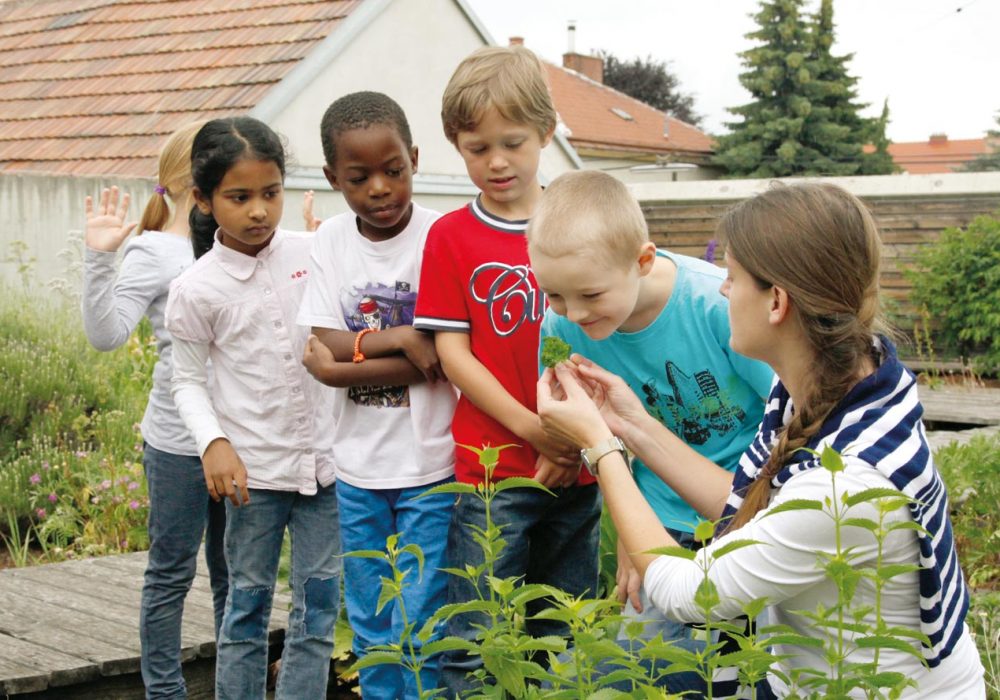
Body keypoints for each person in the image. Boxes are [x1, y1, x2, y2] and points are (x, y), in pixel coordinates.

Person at [537, 182, 986, 698]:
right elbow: (745, 508)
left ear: (776, 301)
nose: (721, 290)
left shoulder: (843, 487)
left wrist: (601, 447)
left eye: (732, 277)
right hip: (806, 672)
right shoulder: (841, 387)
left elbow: (690, 594)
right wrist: (629, 422)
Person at [412, 45, 601, 694]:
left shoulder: (581, 220)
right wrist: (530, 428)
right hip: (492, 472)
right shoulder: (451, 236)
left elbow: (607, 343)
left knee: (562, 636)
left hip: (579, 472)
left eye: (512, 143)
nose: (495, 161)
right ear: (456, 146)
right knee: (473, 637)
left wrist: (574, 445)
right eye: (475, 147)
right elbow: (452, 354)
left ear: (547, 133)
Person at [526, 170, 773, 642]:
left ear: (642, 260)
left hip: (746, 509)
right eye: (554, 294)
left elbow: (791, 411)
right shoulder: (562, 330)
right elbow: (603, 434)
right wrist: (631, 529)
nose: (573, 313)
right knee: (642, 667)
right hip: (659, 517)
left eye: (591, 294)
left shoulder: (716, 305)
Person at [164, 117, 340, 700]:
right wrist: (213, 442)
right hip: (254, 477)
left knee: (318, 612)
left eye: (271, 193)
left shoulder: (313, 253)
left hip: (325, 470)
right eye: (240, 197)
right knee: (245, 609)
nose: (260, 210)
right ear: (204, 200)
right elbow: (187, 381)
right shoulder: (197, 287)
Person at [296, 91, 457, 698]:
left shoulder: (441, 235)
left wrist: (342, 369)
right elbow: (321, 340)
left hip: (430, 464)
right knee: (368, 618)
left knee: (422, 615)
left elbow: (439, 358)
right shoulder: (332, 241)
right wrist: (395, 336)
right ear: (334, 178)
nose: (381, 189)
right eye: (359, 178)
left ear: (414, 158)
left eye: (394, 170)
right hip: (358, 467)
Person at [80, 121, 228, 700]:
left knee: (233, 571)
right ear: (196, 185)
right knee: (171, 571)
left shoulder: (229, 244)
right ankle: (164, 692)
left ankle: (230, 682)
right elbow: (107, 334)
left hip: (234, 438)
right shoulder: (154, 251)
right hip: (177, 444)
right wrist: (97, 260)